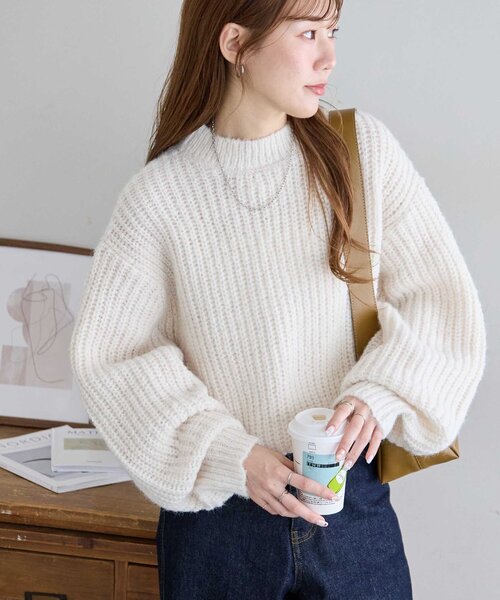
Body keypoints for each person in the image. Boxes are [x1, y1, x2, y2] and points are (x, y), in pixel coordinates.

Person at [69, 0, 487, 598]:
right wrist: (231, 454)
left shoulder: (359, 153)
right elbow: (113, 357)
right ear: (235, 44)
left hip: (351, 509)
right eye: (308, 32)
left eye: (332, 31)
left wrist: (376, 394)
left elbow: (440, 301)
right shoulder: (159, 197)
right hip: (221, 526)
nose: (329, 56)